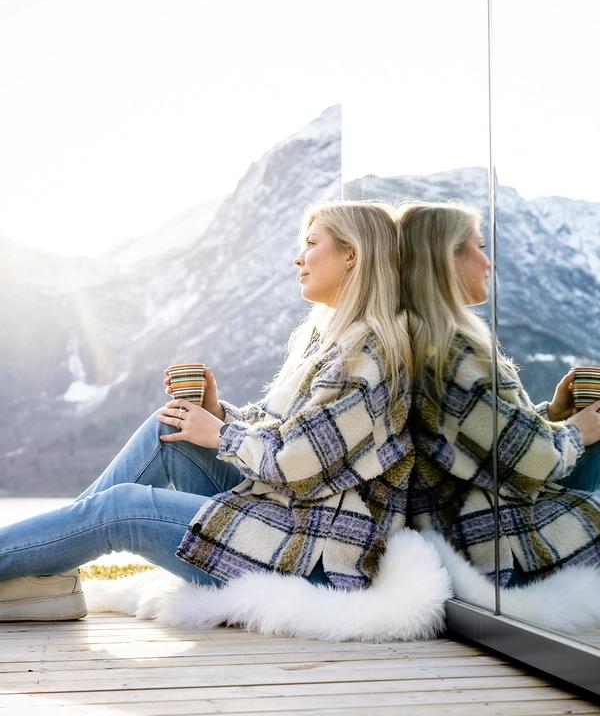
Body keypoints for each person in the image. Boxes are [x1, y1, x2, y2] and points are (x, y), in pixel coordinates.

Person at [0, 200, 414, 621]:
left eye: (310, 243)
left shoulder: (367, 357)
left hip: (313, 559)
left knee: (121, 510)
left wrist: (219, 435)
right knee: (168, 428)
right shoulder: (331, 343)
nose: (298, 257)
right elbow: (287, 436)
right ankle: (40, 571)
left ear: (352, 255)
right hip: (289, 522)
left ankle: (30, 568)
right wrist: (217, 414)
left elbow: (296, 460)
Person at [397, 201, 600, 587]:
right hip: (491, 541)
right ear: (447, 259)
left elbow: (489, 438)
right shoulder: (447, 352)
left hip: (466, 526)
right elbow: (525, 459)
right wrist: (578, 431)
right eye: (479, 248)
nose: (487, 263)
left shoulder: (427, 339)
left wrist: (555, 413)